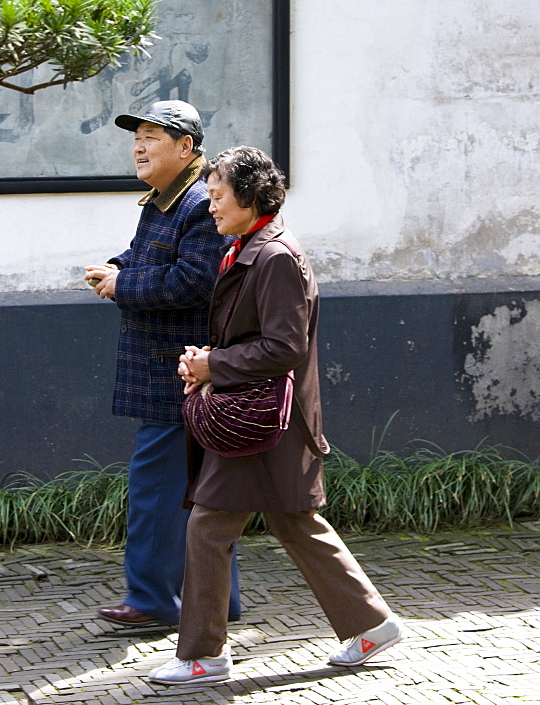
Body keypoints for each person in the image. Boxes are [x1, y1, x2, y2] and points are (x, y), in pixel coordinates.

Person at [149, 146, 407, 684]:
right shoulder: (252, 249)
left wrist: (213, 365)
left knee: (209, 526)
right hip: (267, 421)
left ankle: (203, 655)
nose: (210, 206)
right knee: (293, 522)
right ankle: (370, 625)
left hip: (264, 422)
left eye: (218, 196)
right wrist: (210, 364)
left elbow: (284, 346)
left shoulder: (274, 257)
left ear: (249, 197)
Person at [85, 100, 240, 628]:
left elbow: (195, 282)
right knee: (200, 491)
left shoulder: (198, 203)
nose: (139, 145)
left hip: (177, 373)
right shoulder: (164, 199)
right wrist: (116, 266)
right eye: (137, 136)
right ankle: (220, 601)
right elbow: (152, 258)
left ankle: (151, 599)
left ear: (186, 148)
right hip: (171, 368)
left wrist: (122, 284)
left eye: (153, 136)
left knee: (157, 487)